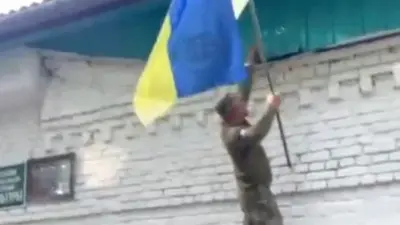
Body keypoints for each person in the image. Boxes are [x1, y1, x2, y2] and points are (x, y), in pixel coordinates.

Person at [215, 47, 283, 225]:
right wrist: (271, 108)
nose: (245, 103)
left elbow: (244, 87)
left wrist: (250, 61)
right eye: (240, 104)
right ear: (233, 113)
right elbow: (256, 133)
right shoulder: (232, 135)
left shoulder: (234, 116)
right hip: (255, 195)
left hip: (253, 195)